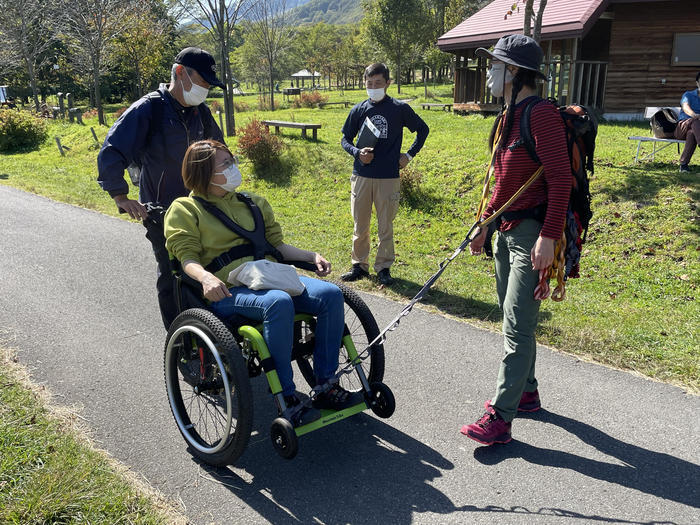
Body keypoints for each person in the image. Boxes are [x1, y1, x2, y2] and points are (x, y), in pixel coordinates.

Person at [164, 139, 363, 416]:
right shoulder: (185, 209)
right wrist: (206, 279)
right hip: (229, 290)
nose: (233, 167)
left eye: (231, 160)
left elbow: (278, 247)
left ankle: (325, 383)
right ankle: (285, 395)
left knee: (331, 295)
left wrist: (310, 256)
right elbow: (187, 260)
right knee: (278, 302)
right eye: (225, 164)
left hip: (268, 277)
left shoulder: (253, 202)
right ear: (204, 173)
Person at [461, 35, 571, 446]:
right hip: (505, 232)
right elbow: (503, 183)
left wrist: (548, 236)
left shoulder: (540, 114)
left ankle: (500, 417)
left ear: (513, 72)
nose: (488, 72)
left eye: (494, 65)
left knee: (516, 327)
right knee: (516, 320)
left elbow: (559, 179)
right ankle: (527, 393)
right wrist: (484, 225)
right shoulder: (507, 114)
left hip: (531, 235)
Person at [97, 47, 225, 330]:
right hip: (162, 212)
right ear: (180, 73)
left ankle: (214, 338)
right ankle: (180, 342)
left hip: (203, 209)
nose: (204, 90)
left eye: (208, 85)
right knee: (172, 276)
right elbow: (112, 151)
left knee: (210, 269)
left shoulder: (200, 113)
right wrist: (121, 197)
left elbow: (219, 151)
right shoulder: (149, 109)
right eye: (202, 82)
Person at [340, 63, 429, 286]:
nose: (373, 87)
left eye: (378, 83)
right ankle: (359, 265)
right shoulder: (358, 110)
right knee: (360, 224)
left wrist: (409, 155)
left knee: (385, 225)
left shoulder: (399, 109)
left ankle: (383, 268)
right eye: (369, 83)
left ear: (388, 83)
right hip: (361, 175)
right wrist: (357, 153)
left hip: (388, 177)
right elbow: (344, 140)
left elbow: (422, 129)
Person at [674, 71, 700, 173]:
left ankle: (683, 165)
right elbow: (685, 107)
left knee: (692, 133)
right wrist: (694, 115)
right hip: (681, 128)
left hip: (696, 130)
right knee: (695, 122)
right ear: (697, 83)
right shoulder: (688, 95)